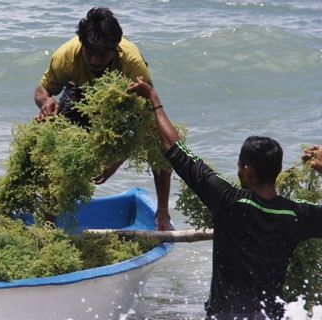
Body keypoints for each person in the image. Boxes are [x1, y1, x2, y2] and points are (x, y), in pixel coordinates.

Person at [128, 76, 322, 320]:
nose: (238, 170)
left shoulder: (228, 200)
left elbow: (176, 150)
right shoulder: (296, 216)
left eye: (240, 166)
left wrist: (154, 101)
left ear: (248, 171)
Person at [33, 7, 172, 230]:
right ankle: (51, 224)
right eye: (90, 53)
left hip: (124, 99)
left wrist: (115, 161)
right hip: (80, 93)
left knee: (161, 140)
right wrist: (46, 103)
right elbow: (42, 90)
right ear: (81, 44)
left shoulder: (132, 65)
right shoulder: (65, 56)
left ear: (115, 50)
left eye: (102, 55)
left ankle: (163, 215)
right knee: (48, 141)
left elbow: (147, 118)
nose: (95, 61)